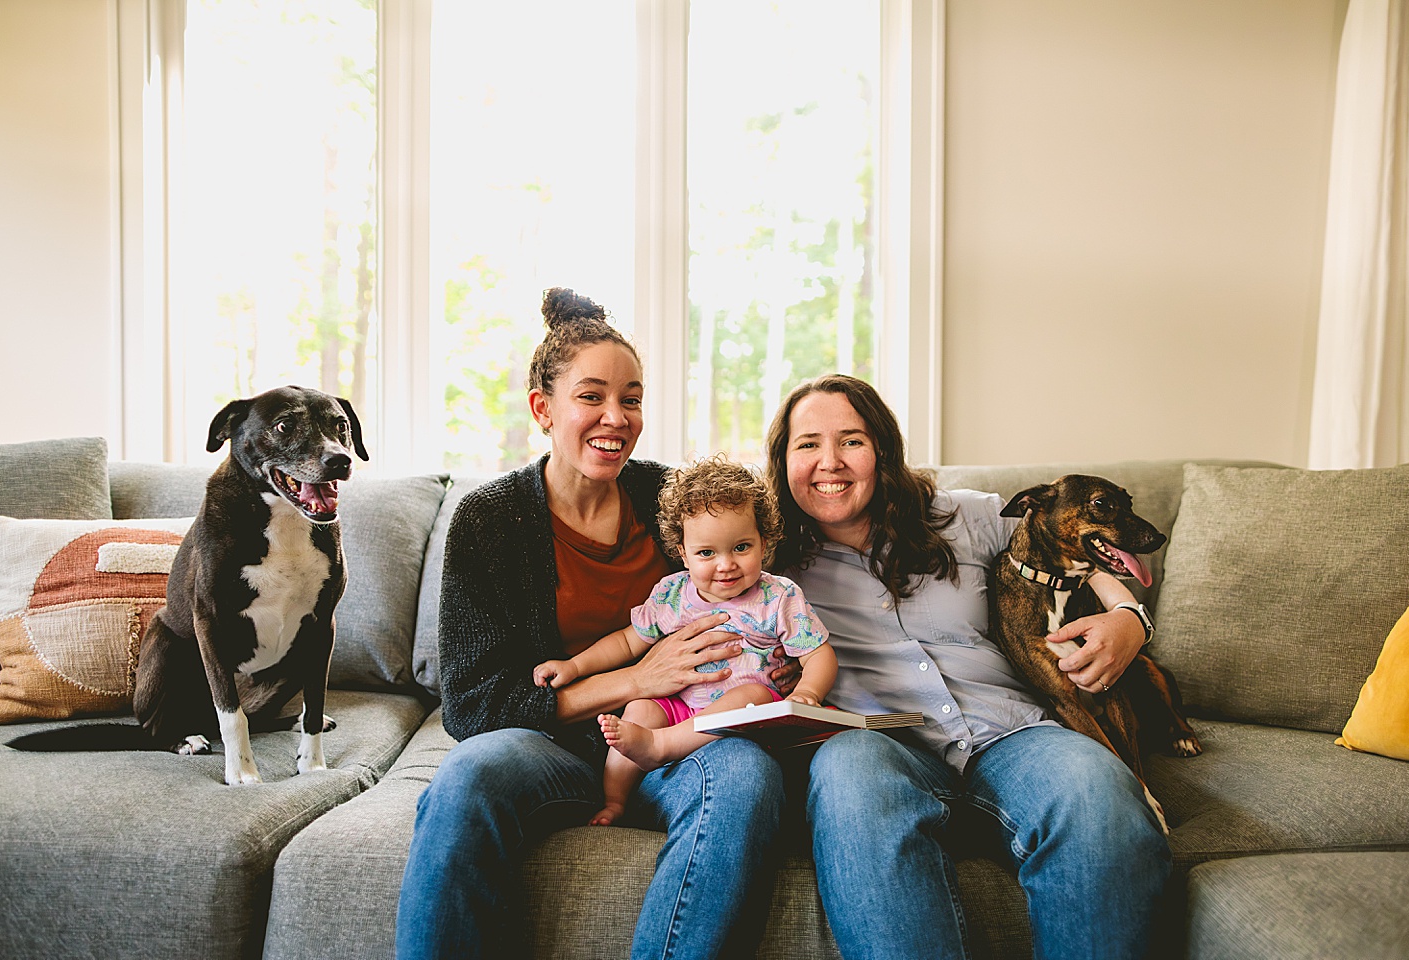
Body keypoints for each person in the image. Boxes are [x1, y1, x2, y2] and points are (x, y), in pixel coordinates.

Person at [394, 289, 786, 960]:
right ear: (542, 409)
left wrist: (774, 662)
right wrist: (635, 676)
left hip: (673, 738)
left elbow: (757, 565)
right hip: (547, 746)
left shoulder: (670, 498)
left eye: (631, 399)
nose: (616, 417)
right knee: (466, 778)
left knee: (748, 776)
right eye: (592, 396)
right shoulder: (490, 518)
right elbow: (473, 706)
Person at [765, 373, 1171, 960]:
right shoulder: (764, 556)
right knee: (847, 773)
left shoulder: (960, 516)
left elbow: (1070, 541)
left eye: (851, 440)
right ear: (782, 461)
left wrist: (1130, 618)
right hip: (882, 742)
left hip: (1012, 735)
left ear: (883, 450)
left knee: (1096, 789)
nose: (831, 462)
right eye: (807, 444)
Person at [533, 455, 838, 827]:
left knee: (751, 698)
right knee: (641, 709)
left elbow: (819, 654)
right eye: (707, 553)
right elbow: (629, 643)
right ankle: (614, 800)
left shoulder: (777, 596)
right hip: (679, 705)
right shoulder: (672, 594)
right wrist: (574, 666)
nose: (726, 564)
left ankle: (661, 746)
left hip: (745, 716)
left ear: (764, 541)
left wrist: (807, 692)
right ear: (683, 554)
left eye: (741, 547)